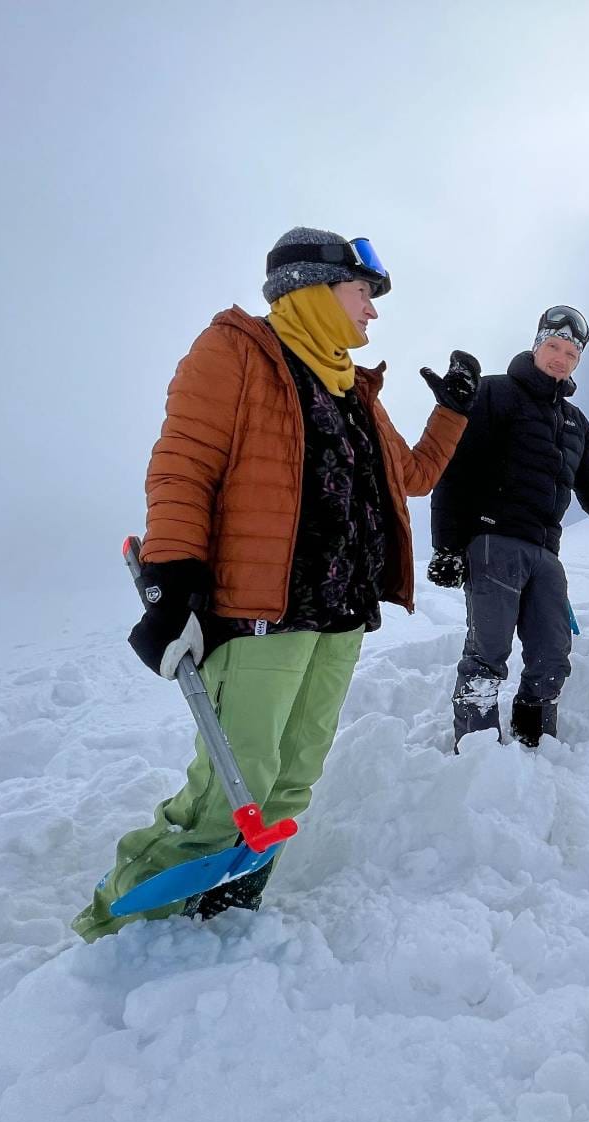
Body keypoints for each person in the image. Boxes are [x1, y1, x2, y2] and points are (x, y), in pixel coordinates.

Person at [73, 227, 478, 941]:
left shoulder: (351, 386)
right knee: (228, 792)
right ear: (313, 287)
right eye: (364, 294)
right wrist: (169, 582)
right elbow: (183, 466)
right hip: (262, 615)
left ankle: (227, 911)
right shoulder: (235, 352)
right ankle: (117, 932)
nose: (373, 313)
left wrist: (452, 414)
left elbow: (409, 477)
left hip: (341, 617)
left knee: (292, 780)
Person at [427, 305, 589, 747]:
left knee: (552, 655)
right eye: (553, 347)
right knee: (487, 655)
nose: (561, 358)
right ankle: (476, 757)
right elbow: (455, 472)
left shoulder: (575, 423)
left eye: (571, 354)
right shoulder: (493, 394)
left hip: (545, 554)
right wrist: (448, 548)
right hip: (493, 543)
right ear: (537, 346)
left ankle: (534, 746)